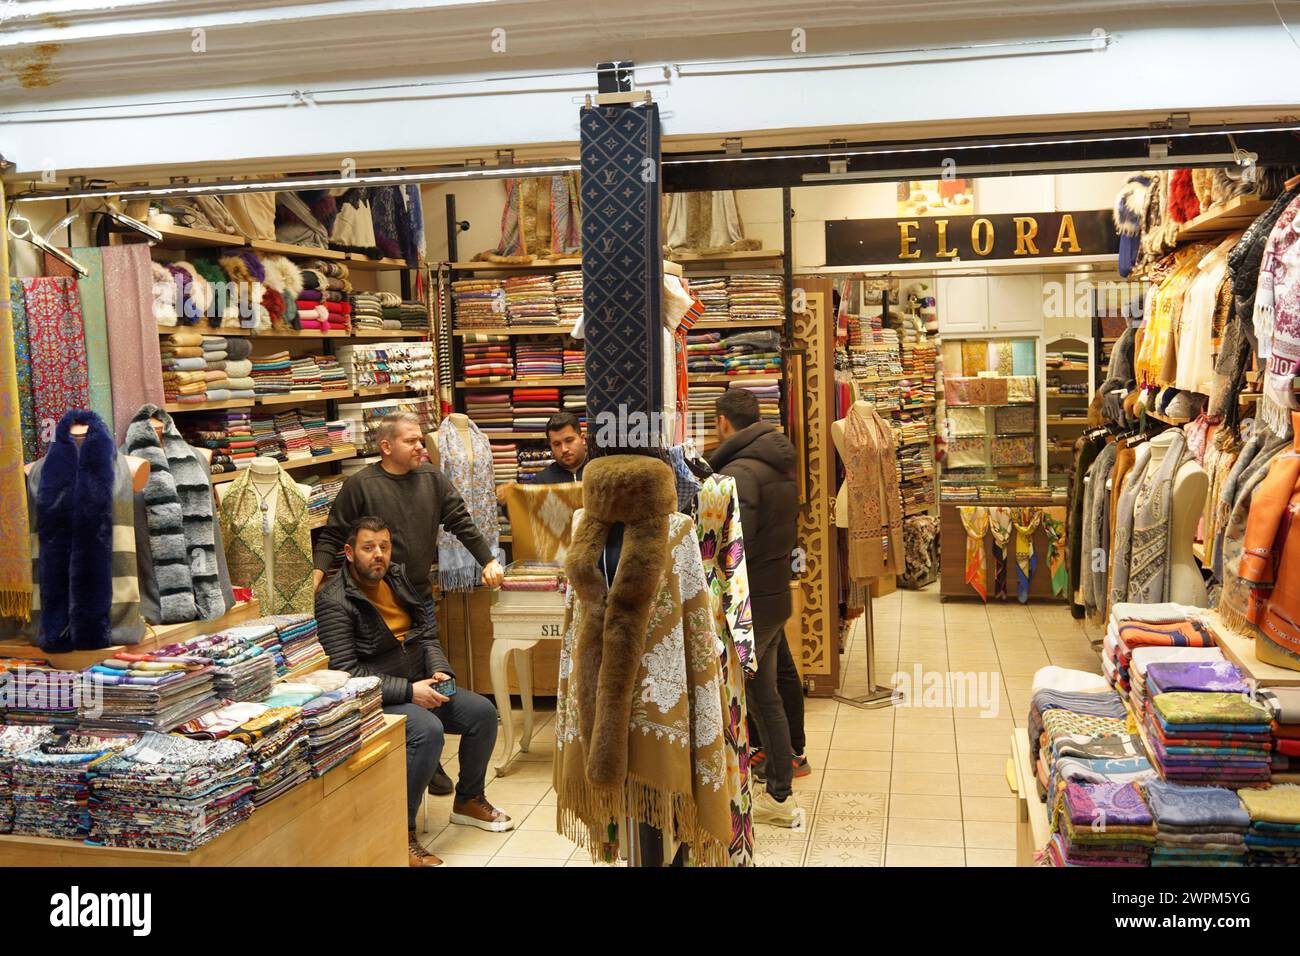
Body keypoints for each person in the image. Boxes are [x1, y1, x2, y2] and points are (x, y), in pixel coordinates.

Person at [313, 411, 504, 798]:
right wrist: (316, 576)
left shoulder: (431, 479)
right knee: (396, 671)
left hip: (414, 591)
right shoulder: (360, 485)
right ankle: (427, 757)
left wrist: (487, 559)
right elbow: (334, 533)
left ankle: (437, 765)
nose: (422, 446)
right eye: (412, 441)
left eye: (421, 439)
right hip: (370, 594)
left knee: (427, 668)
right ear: (386, 446)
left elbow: (460, 520)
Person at [316, 517, 514, 868]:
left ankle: (468, 800)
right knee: (427, 731)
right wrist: (409, 690)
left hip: (420, 682)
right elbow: (346, 673)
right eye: (368, 548)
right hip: (375, 698)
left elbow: (425, 633)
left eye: (384, 547)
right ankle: (400, 834)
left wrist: (440, 671)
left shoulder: (397, 576)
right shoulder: (334, 600)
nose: (378, 555)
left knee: (483, 713)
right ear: (348, 553)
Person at [708, 388, 803, 827]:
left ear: (724, 423)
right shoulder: (778, 464)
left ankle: (772, 796)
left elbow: (733, 546)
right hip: (773, 594)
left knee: (746, 696)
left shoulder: (741, 473)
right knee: (765, 695)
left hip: (749, 605)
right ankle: (778, 791)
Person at [531, 412, 588, 484]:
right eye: (557, 444)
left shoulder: (600, 472)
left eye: (569, 440)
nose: (564, 449)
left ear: (582, 439)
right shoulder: (540, 482)